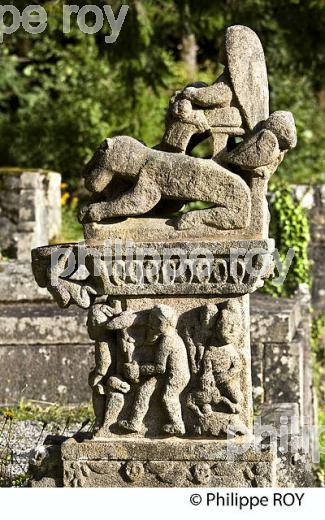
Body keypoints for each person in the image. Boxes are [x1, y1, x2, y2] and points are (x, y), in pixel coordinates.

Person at [119, 304, 190, 436]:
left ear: (167, 324)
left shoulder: (167, 341)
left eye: (156, 322)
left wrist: (139, 370)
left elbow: (159, 368)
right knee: (144, 390)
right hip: (166, 373)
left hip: (176, 376)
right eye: (151, 319)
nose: (151, 323)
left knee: (168, 397)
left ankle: (178, 425)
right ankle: (135, 423)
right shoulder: (165, 337)